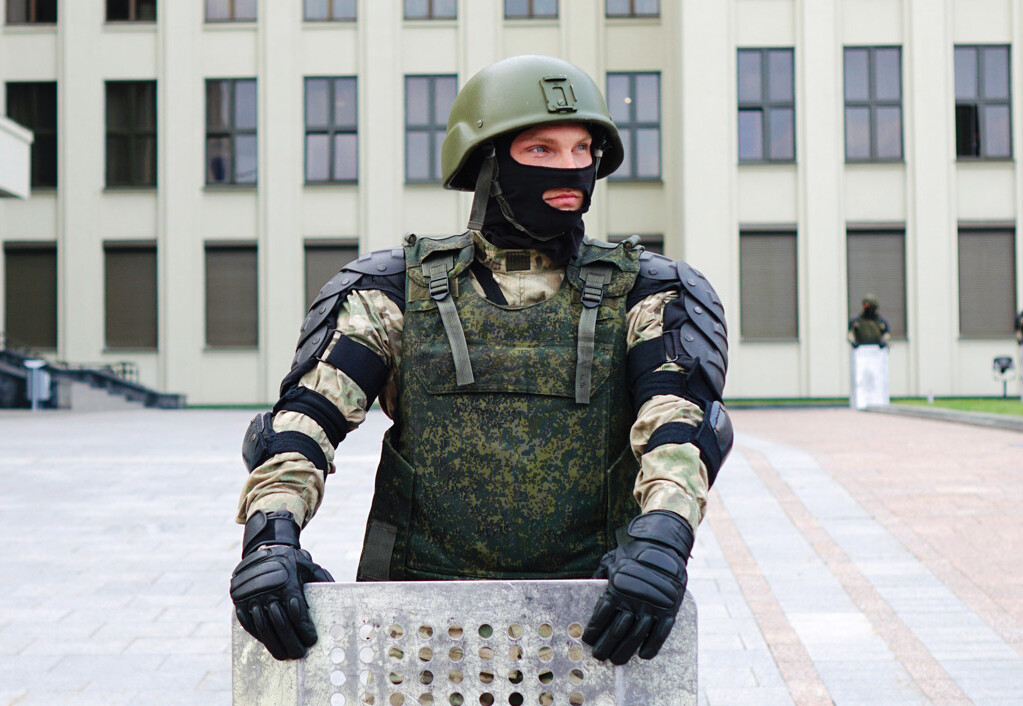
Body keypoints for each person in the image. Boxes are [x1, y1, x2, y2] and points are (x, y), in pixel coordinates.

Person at [228, 55, 732, 669]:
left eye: (583, 149)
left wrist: (663, 539)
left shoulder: (650, 293)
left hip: (596, 619)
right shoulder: (390, 290)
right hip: (419, 627)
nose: (571, 167)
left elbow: (678, 426)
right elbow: (304, 424)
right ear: (486, 162)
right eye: (542, 149)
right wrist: (271, 536)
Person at [847, 294, 890, 409]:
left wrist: (883, 342)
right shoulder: (857, 321)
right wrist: (853, 342)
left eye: (869, 306)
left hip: (877, 357)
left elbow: (886, 334)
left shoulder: (881, 321)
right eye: (865, 306)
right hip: (860, 357)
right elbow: (850, 334)